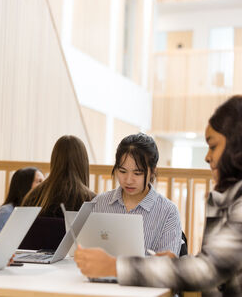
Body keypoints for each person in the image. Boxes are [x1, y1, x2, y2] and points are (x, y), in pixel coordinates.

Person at [75, 95, 242, 296]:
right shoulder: (225, 198)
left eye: (213, 146)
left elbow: (208, 270)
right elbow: (214, 266)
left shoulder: (233, 203)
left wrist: (114, 267)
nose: (207, 157)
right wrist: (175, 265)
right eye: (123, 171)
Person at [92, 133, 182, 255]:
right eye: (122, 171)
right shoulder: (99, 203)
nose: (128, 180)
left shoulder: (168, 212)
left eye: (137, 173)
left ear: (153, 171)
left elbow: (165, 267)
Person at [20, 135, 95, 249]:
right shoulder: (90, 200)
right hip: (74, 264)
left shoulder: (33, 196)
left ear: (54, 159)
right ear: (84, 162)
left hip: (31, 262)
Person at [0, 167, 44, 239]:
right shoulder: (5, 212)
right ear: (25, 185)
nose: (44, 185)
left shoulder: (35, 212)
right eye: (39, 181)